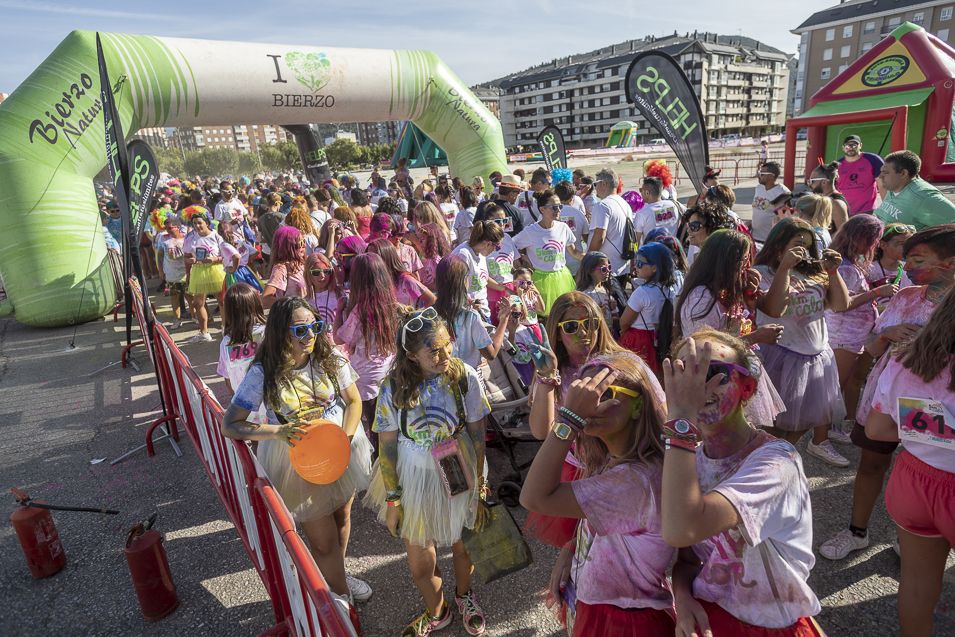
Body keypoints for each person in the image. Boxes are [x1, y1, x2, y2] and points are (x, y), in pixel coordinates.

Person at [661, 329, 824, 636]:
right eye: (685, 373)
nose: (696, 385)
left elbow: (682, 527)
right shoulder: (688, 459)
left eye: (715, 373)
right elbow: (687, 557)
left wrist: (680, 419)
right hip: (713, 615)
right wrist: (681, 595)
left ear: (747, 388)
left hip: (772, 625)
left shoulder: (777, 463)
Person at [222, 297, 373, 609]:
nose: (311, 337)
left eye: (315, 327)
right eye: (300, 330)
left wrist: (343, 440)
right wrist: (278, 431)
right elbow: (231, 424)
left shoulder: (327, 356)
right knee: (322, 538)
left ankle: (336, 579)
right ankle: (340, 601)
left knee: (342, 517)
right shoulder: (263, 372)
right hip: (297, 460)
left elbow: (354, 401)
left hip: (340, 446)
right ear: (281, 333)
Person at [819, 224, 955, 561]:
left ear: (950, 263)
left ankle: (914, 535)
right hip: (886, 402)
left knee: (923, 473)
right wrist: (887, 335)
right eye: (906, 258)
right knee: (871, 465)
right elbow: (871, 347)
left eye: (918, 259)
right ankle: (856, 531)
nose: (907, 267)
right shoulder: (906, 297)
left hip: (938, 411)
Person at [520, 351, 676, 636]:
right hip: (608, 603)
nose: (590, 407)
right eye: (586, 395)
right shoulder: (617, 460)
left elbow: (534, 497)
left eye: (605, 394)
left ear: (638, 407)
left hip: (624, 622)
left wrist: (568, 418)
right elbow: (599, 520)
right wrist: (570, 549)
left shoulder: (633, 481)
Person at [364, 310, 491, 637]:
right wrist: (393, 499)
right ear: (410, 355)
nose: (445, 355)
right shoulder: (392, 388)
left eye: (447, 345)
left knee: (465, 542)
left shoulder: (465, 377)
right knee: (421, 559)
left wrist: (480, 486)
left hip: (458, 464)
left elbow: (477, 435)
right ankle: (438, 612)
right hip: (414, 474)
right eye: (433, 350)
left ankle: (465, 596)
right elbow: (387, 445)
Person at [865, 287, 955, 637]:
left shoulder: (906, 360)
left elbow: (877, 429)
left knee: (917, 583)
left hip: (914, 484)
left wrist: (934, 435)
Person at [754, 217, 851, 467]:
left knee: (806, 419)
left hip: (816, 356)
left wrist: (833, 271)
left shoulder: (815, 273)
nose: (804, 250)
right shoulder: (764, 273)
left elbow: (841, 305)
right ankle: (764, 466)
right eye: (797, 243)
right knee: (773, 423)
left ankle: (781, 460)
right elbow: (774, 310)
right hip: (781, 356)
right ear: (778, 246)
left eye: (808, 245)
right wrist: (784, 269)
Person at [675, 229, 787, 426]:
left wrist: (748, 298)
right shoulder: (701, 299)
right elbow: (707, 352)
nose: (747, 266)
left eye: (747, 259)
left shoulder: (725, 290)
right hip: (713, 382)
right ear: (724, 261)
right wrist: (757, 337)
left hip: (733, 370)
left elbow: (734, 329)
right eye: (742, 260)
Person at [825, 215, 897, 432]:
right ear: (862, 238)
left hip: (853, 335)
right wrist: (877, 292)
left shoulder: (849, 262)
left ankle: (836, 425)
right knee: (835, 386)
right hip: (843, 336)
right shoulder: (844, 268)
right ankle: (825, 433)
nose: (876, 245)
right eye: (875, 240)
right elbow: (840, 305)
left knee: (845, 382)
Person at [334, 253, 402, 446]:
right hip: (388, 371)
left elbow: (340, 338)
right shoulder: (393, 307)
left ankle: (377, 465)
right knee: (389, 421)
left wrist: (340, 310)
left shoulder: (359, 310)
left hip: (364, 376)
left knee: (373, 427)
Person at [433, 256, 511, 371]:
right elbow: (491, 353)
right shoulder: (470, 316)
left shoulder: (430, 314)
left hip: (443, 379)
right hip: (469, 379)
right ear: (464, 282)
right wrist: (504, 320)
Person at [513, 189, 582, 316]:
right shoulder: (531, 231)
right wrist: (522, 259)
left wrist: (590, 259)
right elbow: (512, 246)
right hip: (540, 279)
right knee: (542, 315)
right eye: (554, 207)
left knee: (564, 313)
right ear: (542, 209)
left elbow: (573, 252)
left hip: (562, 277)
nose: (558, 210)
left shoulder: (563, 227)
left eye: (560, 206)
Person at [619, 242, 676, 375]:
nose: (635, 267)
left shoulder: (642, 292)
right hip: (660, 336)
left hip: (638, 339)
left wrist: (623, 332)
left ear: (654, 268)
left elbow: (624, 321)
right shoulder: (669, 289)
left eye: (640, 263)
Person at [217, 283, 266, 412]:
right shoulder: (268, 333)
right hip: (271, 402)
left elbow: (227, 379)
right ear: (257, 305)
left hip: (244, 406)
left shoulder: (226, 343)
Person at [875, 149, 955, 229]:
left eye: (886, 172)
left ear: (903, 173)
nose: (881, 176)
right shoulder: (894, 186)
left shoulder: (924, 198)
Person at [182, 206, 227, 343]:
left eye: (200, 222)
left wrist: (215, 259)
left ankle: (226, 329)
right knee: (197, 303)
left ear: (207, 222)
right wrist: (190, 262)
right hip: (198, 271)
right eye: (195, 223)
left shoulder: (216, 236)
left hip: (216, 270)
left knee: (222, 301)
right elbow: (186, 256)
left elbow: (227, 255)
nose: (197, 226)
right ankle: (204, 332)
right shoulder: (190, 238)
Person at [450, 220, 506, 320]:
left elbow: (482, 277)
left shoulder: (480, 252)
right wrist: (470, 303)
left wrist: (505, 289)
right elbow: (455, 287)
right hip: (468, 315)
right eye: (497, 247)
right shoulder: (463, 255)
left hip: (482, 311)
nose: (495, 251)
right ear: (488, 244)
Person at [588, 168, 633, 286]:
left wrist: (588, 260)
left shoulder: (602, 205)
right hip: (622, 265)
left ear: (604, 184)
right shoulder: (625, 204)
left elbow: (599, 237)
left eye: (595, 184)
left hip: (604, 269)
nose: (594, 188)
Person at [478, 203, 520, 324]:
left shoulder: (507, 238)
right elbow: (482, 276)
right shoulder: (483, 244)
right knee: (497, 328)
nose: (502, 224)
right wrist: (503, 289)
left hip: (511, 290)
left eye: (505, 220)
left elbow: (515, 264)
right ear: (487, 222)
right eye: (498, 221)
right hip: (492, 292)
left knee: (513, 326)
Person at [367, 239, 435, 308]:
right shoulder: (375, 281)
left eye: (375, 256)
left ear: (387, 256)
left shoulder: (405, 281)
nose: (371, 260)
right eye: (369, 256)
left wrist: (416, 316)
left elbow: (431, 299)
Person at [575, 251, 627, 337]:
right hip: (595, 335)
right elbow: (582, 319)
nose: (608, 271)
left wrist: (613, 309)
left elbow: (614, 318)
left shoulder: (605, 289)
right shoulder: (585, 294)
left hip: (609, 334)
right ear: (590, 271)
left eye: (609, 267)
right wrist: (597, 314)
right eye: (603, 269)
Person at [868, 223, 915, 308]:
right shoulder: (869, 270)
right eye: (901, 243)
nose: (907, 248)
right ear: (883, 245)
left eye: (909, 244)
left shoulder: (911, 269)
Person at [836, 135, 884, 215]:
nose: (851, 147)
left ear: (860, 145)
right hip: (843, 211)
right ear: (843, 147)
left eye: (854, 145)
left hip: (867, 211)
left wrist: (885, 209)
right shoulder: (837, 165)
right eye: (847, 145)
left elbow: (883, 186)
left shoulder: (873, 160)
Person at [261, 226, 307, 309]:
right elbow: (266, 299)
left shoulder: (303, 263)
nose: (303, 246)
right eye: (298, 244)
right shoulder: (281, 268)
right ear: (286, 246)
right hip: (293, 318)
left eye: (303, 241)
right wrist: (293, 305)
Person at [156, 214, 188, 329]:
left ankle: (195, 316)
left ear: (177, 227)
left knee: (190, 296)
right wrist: (160, 271)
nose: (168, 230)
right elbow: (159, 257)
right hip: (171, 274)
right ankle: (177, 320)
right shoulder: (163, 240)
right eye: (166, 228)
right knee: (174, 296)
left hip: (186, 273)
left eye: (170, 228)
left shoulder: (186, 238)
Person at [680, 202, 735, 267]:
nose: (688, 230)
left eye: (694, 226)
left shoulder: (719, 261)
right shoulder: (701, 255)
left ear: (712, 227)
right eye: (688, 225)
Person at [554, 181, 590, 276]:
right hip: (576, 263)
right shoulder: (579, 214)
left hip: (555, 263)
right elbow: (587, 238)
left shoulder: (547, 213)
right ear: (572, 198)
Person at [750, 161, 791, 244]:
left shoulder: (783, 192)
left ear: (771, 176)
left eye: (762, 173)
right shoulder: (758, 188)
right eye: (759, 172)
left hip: (770, 240)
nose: (759, 175)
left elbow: (787, 217)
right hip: (754, 237)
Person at [634, 177, 679, 244]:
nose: (640, 193)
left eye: (641, 190)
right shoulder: (673, 206)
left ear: (647, 193)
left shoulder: (642, 213)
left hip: (652, 252)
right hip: (672, 250)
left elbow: (636, 241)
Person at [305, 252, 341, 330]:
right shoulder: (305, 301)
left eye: (326, 271)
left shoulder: (339, 294)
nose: (322, 276)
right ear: (308, 274)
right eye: (316, 272)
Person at [807, 162, 849, 230]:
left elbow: (843, 233)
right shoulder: (825, 198)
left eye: (812, 181)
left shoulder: (836, 203)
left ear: (824, 182)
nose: (809, 185)